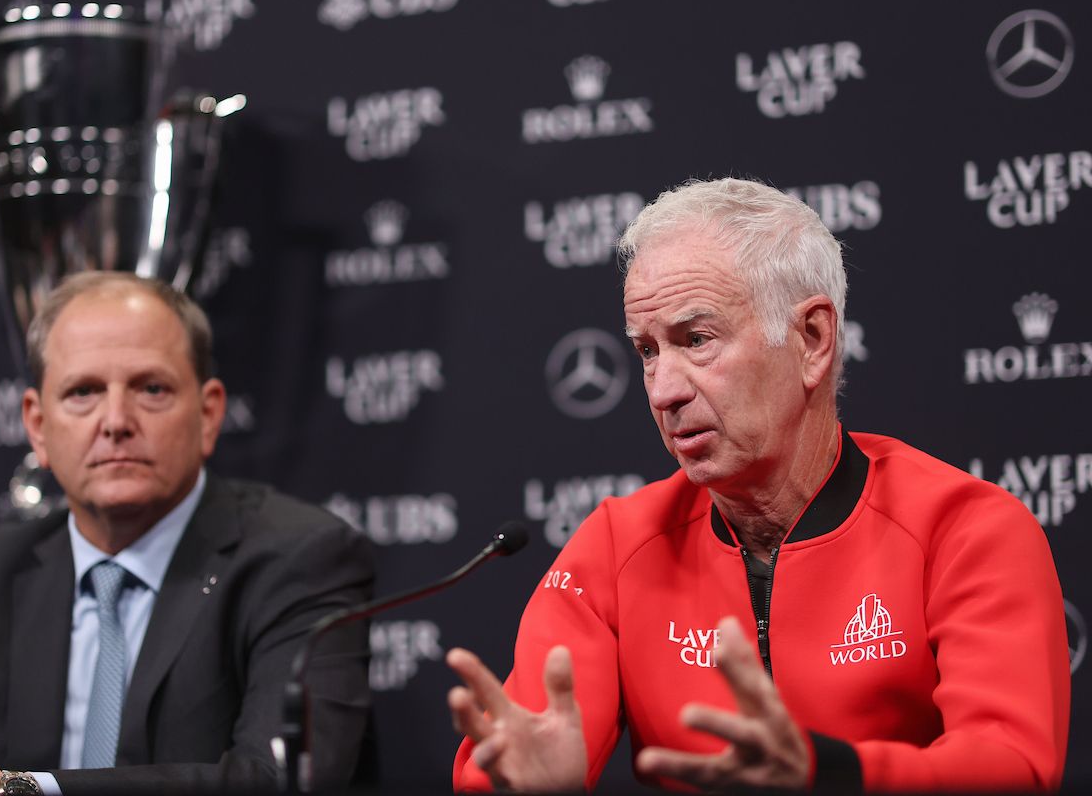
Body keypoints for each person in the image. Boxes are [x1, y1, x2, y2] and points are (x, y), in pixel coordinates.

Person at [447, 178, 1070, 792]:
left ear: (812, 340)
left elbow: (1011, 764)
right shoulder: (617, 547)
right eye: (647, 351)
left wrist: (824, 774)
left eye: (697, 340)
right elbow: (514, 756)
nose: (664, 390)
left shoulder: (965, 530)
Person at [0, 271, 374, 795]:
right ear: (37, 425)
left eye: (151, 388)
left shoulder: (301, 559)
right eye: (83, 392)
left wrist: (16, 789)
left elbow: (281, 780)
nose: (116, 420)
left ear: (209, 414)